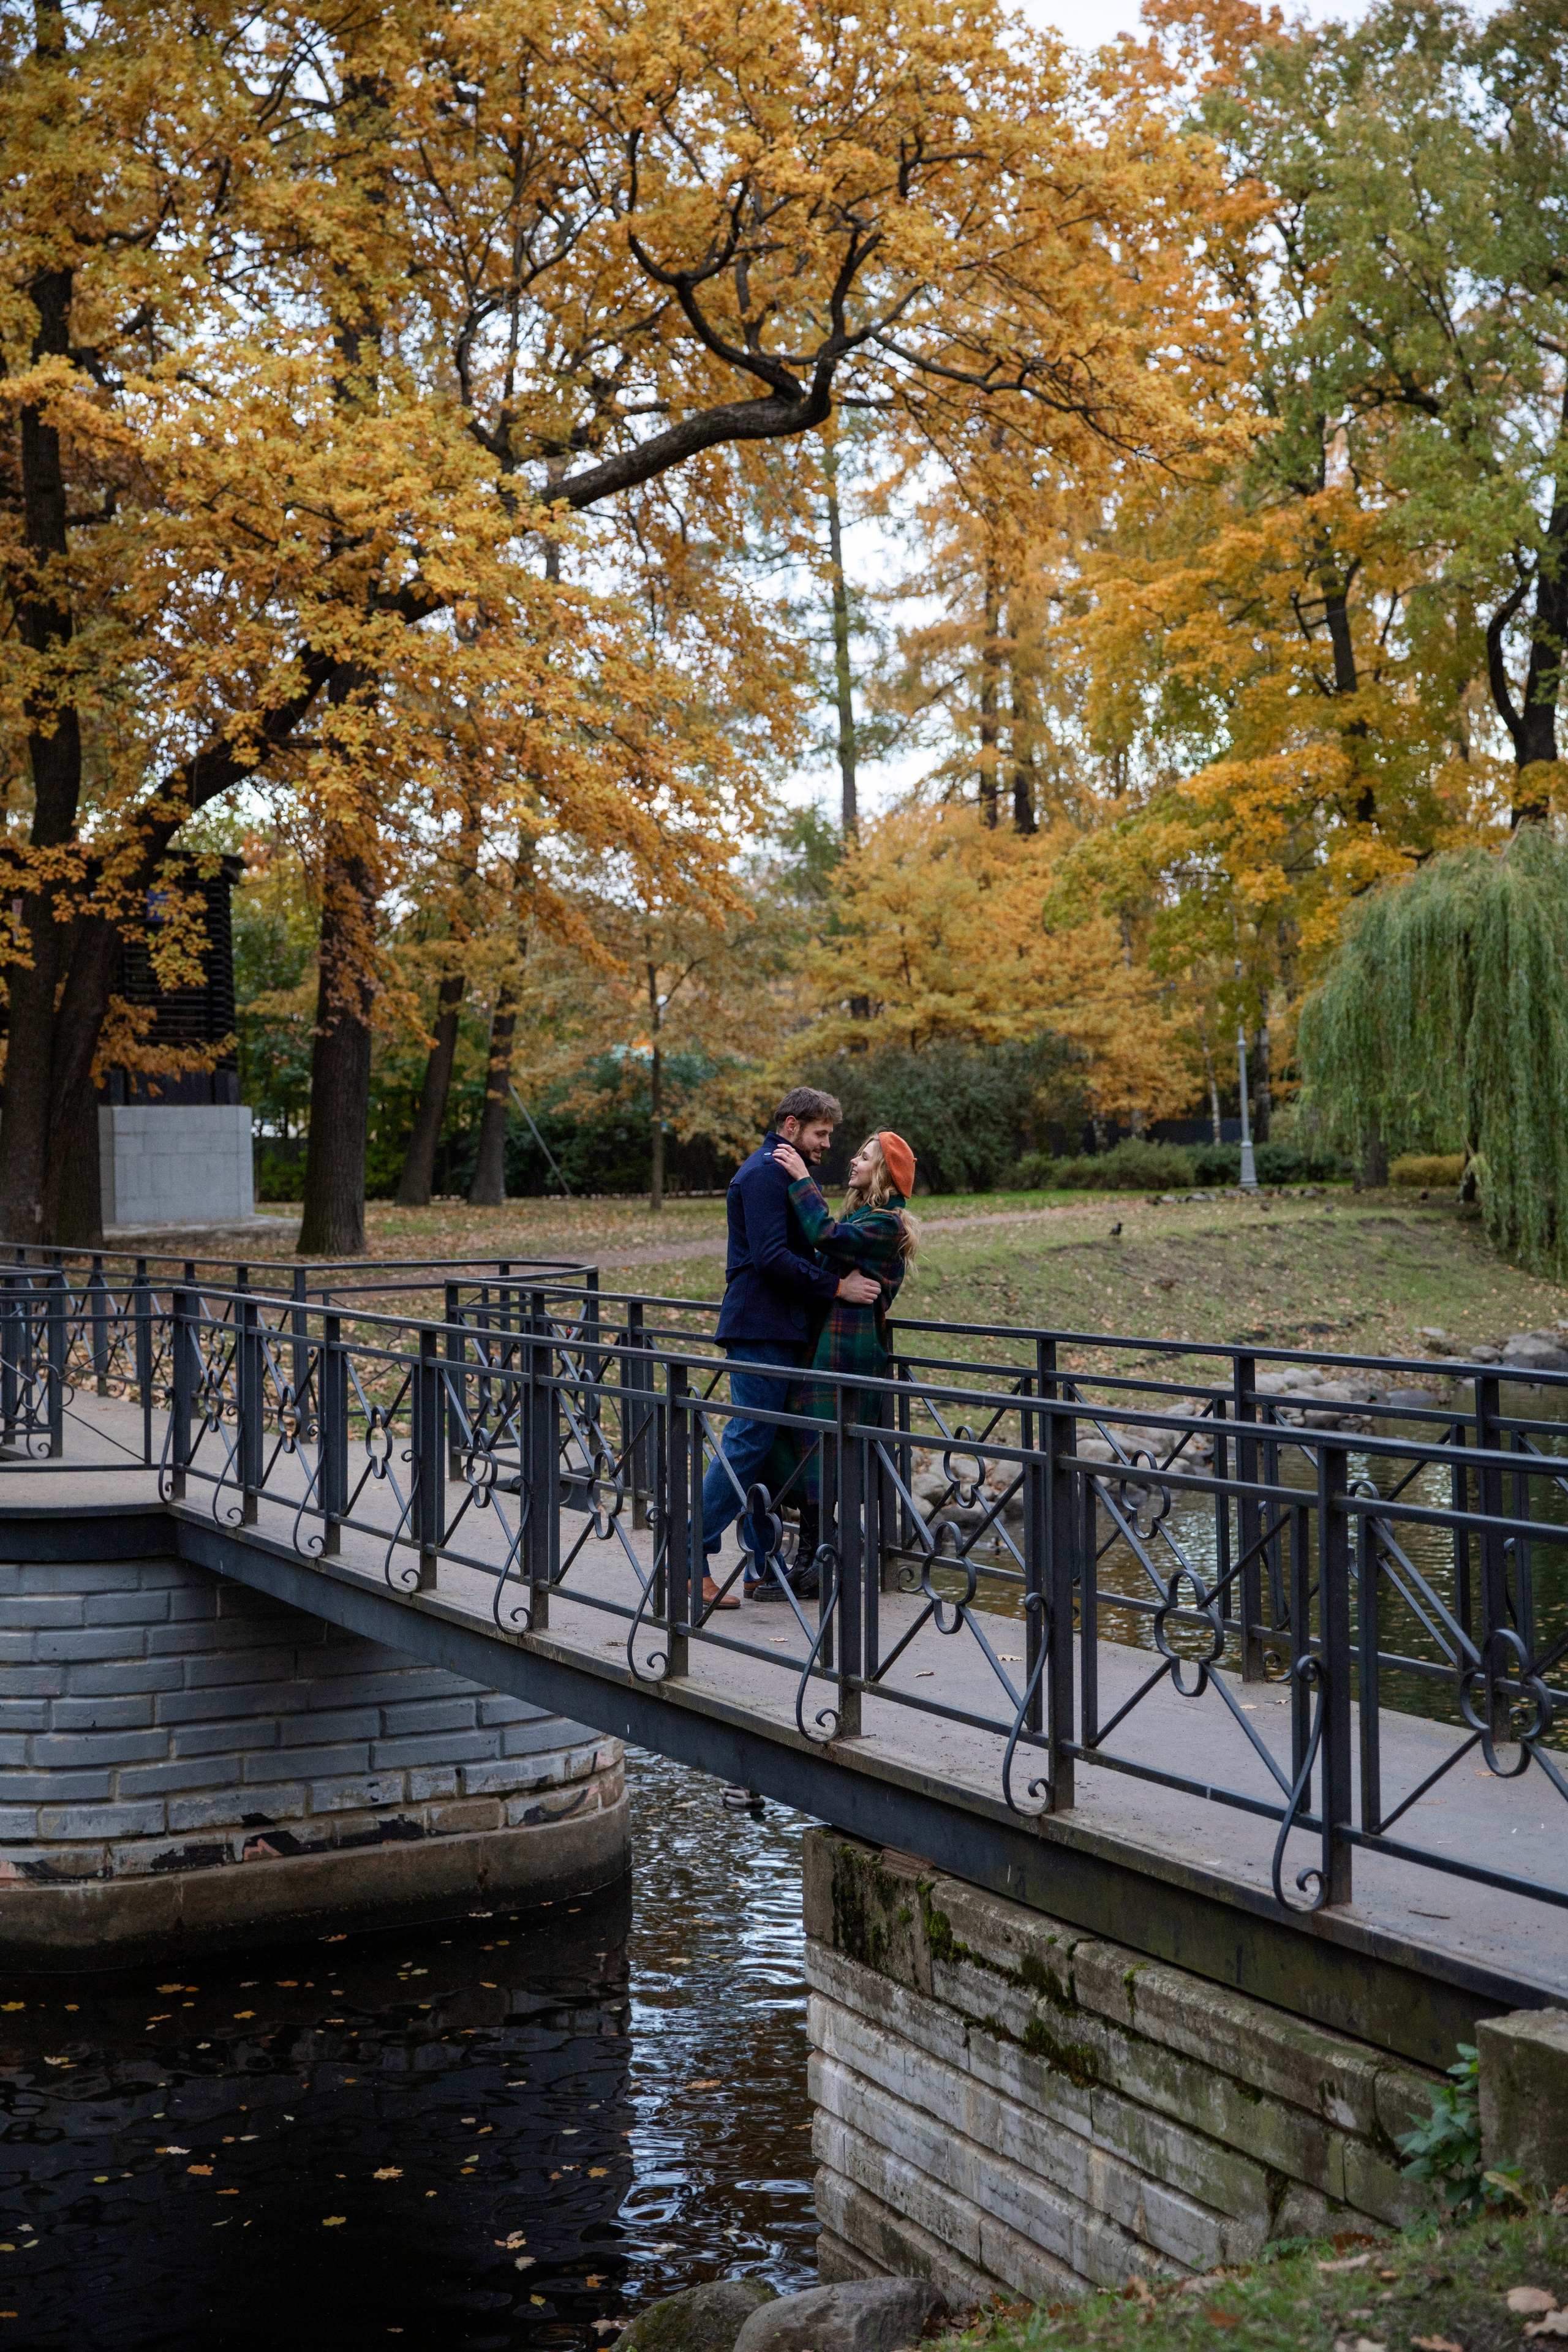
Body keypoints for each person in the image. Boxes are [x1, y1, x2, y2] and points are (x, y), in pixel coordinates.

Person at [698, 1088, 880, 1610]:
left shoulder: (785, 1173)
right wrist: (836, 1289)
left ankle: (762, 1567)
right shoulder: (761, 1174)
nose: (826, 1145)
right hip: (761, 1326)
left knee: (768, 1447)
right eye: (821, 1134)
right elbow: (772, 1258)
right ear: (793, 1125)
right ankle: (688, 1556)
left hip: (783, 1328)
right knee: (749, 1439)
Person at [766, 1129, 919, 1596]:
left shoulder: (887, 1224)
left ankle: (823, 1559)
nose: (853, 1161)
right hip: (824, 1348)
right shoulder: (867, 1218)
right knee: (802, 1447)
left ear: (884, 1175)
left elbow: (824, 1234)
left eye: (864, 1157)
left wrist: (799, 1178)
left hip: (849, 1354)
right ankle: (816, 1549)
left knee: (826, 1452)